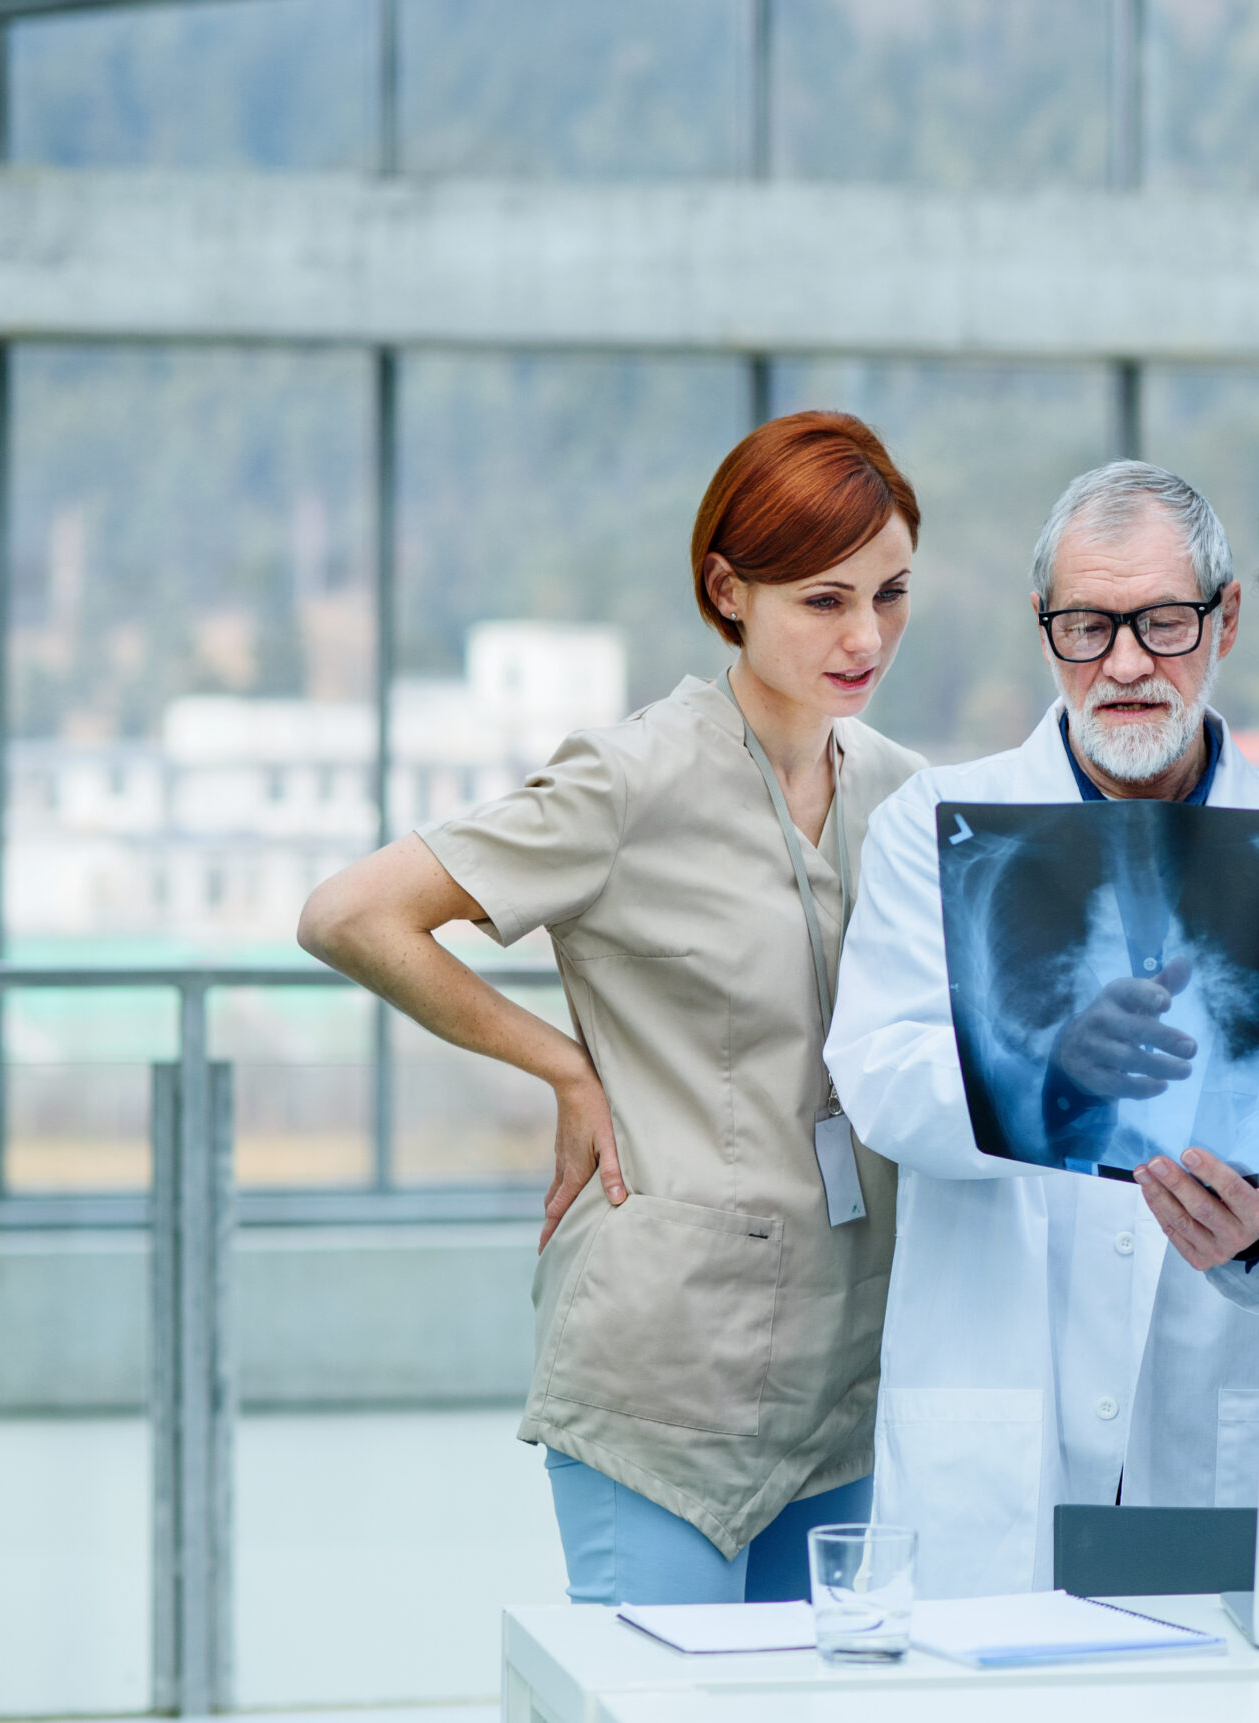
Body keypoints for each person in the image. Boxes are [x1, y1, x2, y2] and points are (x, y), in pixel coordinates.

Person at [296, 412, 926, 1604]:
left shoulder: (904, 794)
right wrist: (563, 1067)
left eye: (890, 595)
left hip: (847, 1369)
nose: (866, 636)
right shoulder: (631, 778)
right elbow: (350, 914)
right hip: (664, 1368)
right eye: (824, 600)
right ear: (727, 590)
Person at [824, 461, 1259, 1598]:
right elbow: (877, 1071)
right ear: (1043, 630)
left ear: (1224, 621)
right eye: (1087, 626)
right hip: (1003, 1417)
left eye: (1162, 623)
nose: (1123, 663)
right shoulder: (934, 827)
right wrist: (1047, 1066)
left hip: (1220, 1398)